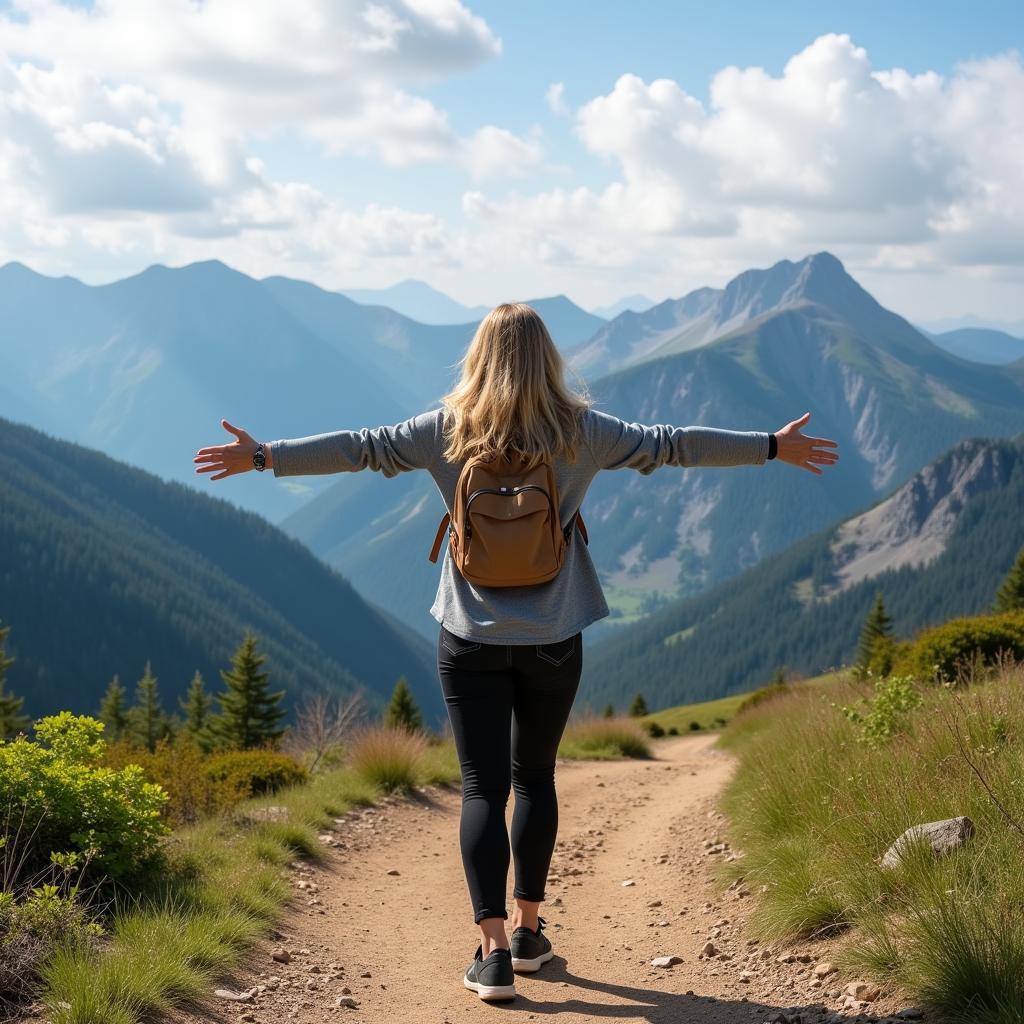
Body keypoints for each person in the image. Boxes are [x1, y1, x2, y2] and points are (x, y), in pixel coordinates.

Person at [193, 302, 839, 1002]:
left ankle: (492, 951)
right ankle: (531, 933)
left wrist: (262, 457)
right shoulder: (581, 433)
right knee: (535, 778)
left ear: (477, 358)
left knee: (482, 787)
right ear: (548, 361)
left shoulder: (445, 431)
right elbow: (672, 443)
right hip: (554, 637)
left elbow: (359, 447)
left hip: (468, 637)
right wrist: (771, 445)